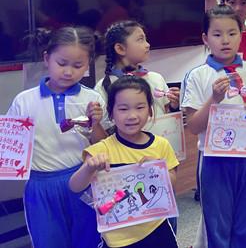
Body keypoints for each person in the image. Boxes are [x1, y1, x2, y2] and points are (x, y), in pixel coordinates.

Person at [8, 26, 107, 248]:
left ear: (88, 65)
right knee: (48, 241)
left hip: (83, 179)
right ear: (47, 59)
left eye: (78, 65)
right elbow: (12, 148)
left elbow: (102, 145)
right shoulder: (24, 101)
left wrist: (96, 123)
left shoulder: (92, 99)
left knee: (89, 240)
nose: (69, 72)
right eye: (62, 63)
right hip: (40, 186)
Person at [182, 5, 246, 248]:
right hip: (215, 159)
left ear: (241, 35)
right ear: (205, 39)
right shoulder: (197, 76)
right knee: (217, 225)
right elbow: (193, 126)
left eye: (232, 33)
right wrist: (214, 99)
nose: (225, 40)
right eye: (217, 34)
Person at [69, 76, 179, 247]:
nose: (132, 116)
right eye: (123, 109)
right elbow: (74, 186)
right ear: (111, 113)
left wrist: (159, 171)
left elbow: (172, 181)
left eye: (140, 107)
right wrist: (89, 168)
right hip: (118, 238)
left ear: (150, 110)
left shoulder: (161, 145)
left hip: (156, 227)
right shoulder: (102, 149)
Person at [95, 20, 180, 118]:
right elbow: (104, 123)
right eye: (140, 39)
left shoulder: (156, 78)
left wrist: (174, 105)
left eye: (145, 39)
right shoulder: (104, 86)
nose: (147, 45)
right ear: (120, 49)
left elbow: (166, 112)